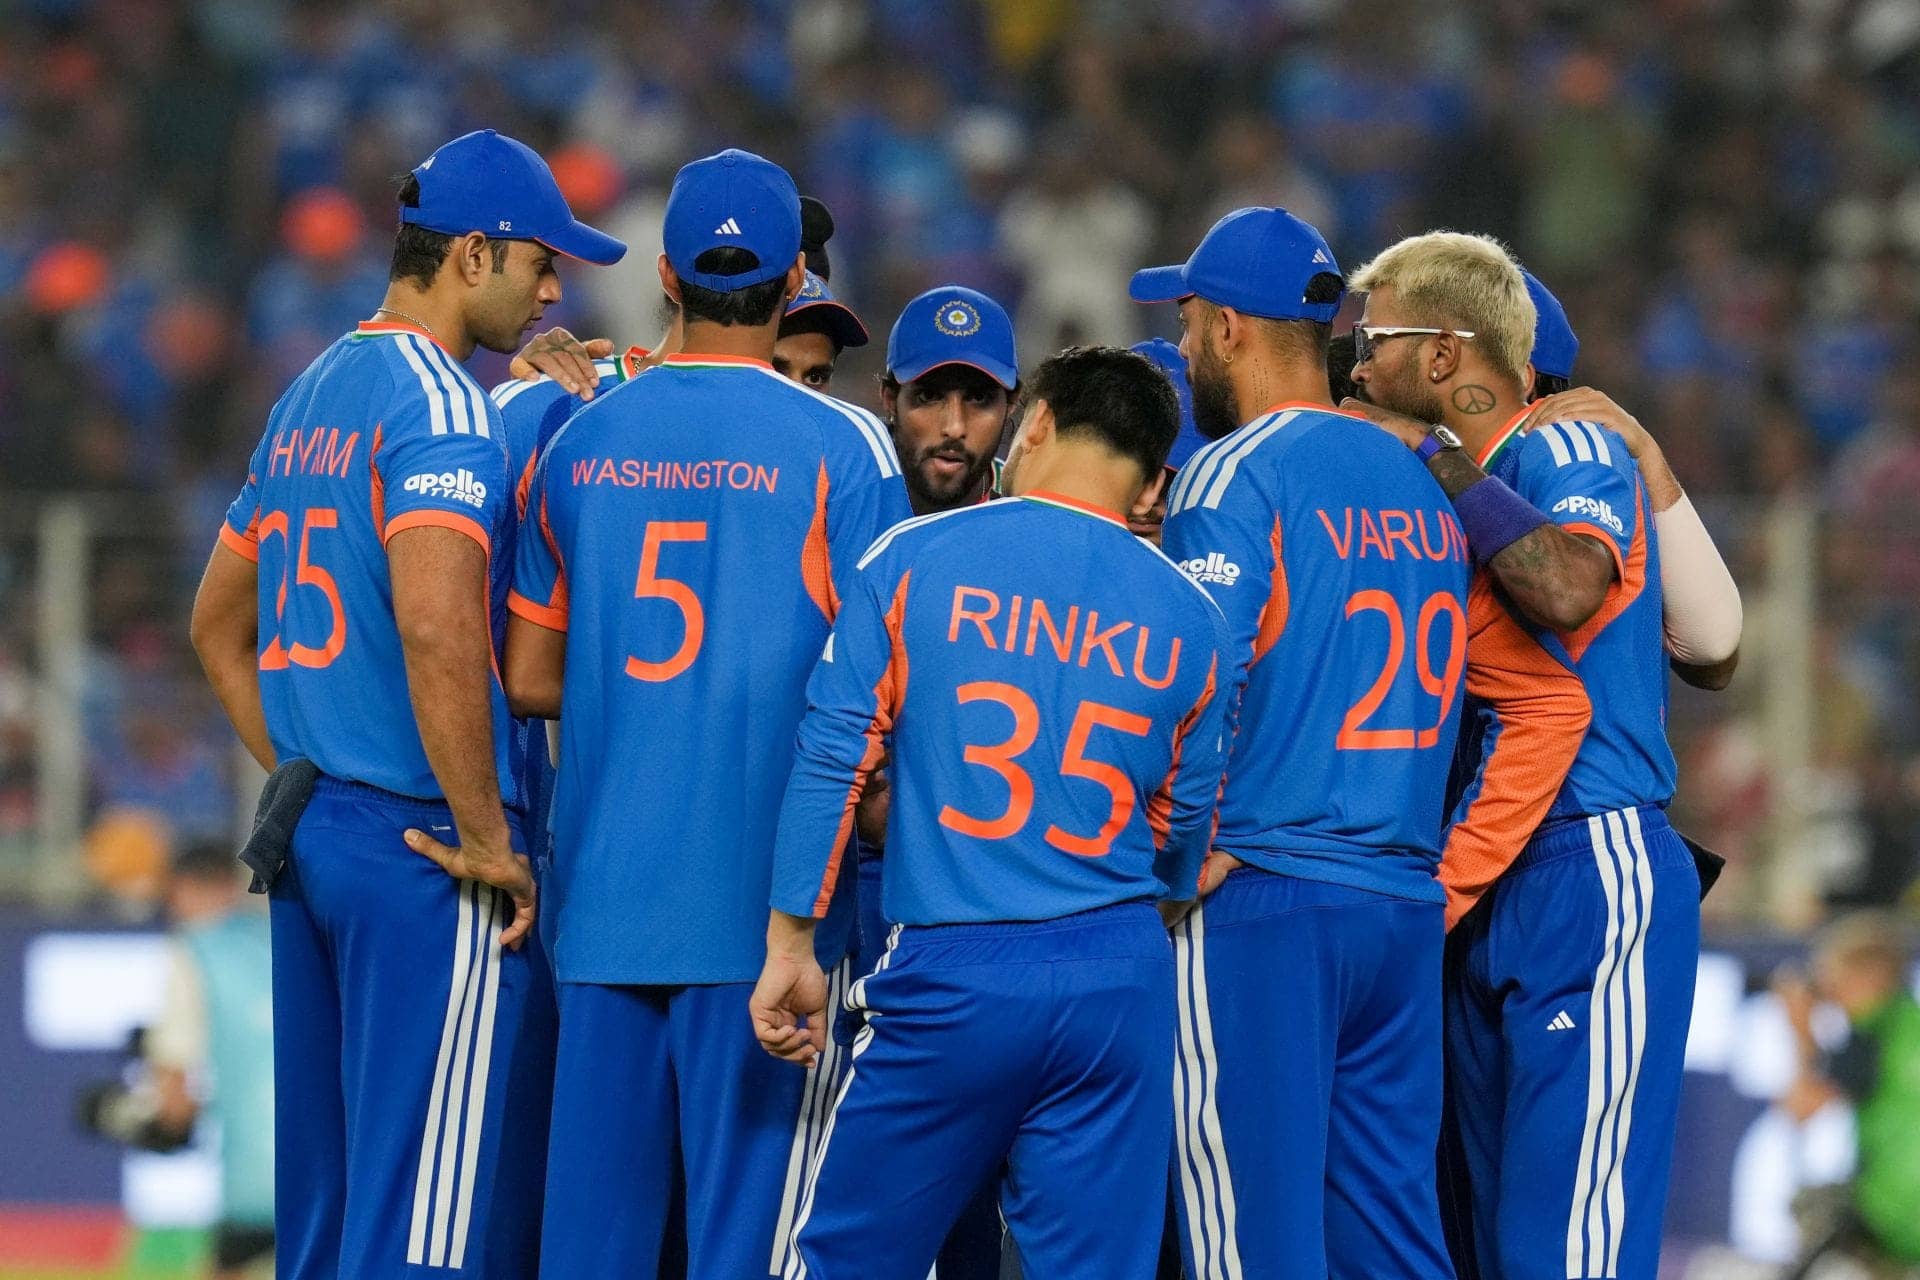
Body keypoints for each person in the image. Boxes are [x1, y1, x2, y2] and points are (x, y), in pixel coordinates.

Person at [188, 128, 622, 1280]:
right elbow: (438, 627)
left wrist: (314, 769)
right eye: (541, 263)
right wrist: (485, 835)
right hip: (424, 844)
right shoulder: (445, 408)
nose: (552, 292)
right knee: (427, 1225)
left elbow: (215, 626)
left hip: (318, 831)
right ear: (474, 254)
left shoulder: (309, 391)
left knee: (328, 1220)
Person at [1139, 208, 1588, 1280]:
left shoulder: (1233, 472)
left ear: (1231, 327)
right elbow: (1549, 701)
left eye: (1189, 322)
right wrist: (1443, 882)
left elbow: (1201, 676)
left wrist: (1174, 854)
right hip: (1397, 915)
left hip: (1261, 900)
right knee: (1388, 1242)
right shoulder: (1426, 483)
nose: (1185, 346)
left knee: (1249, 1237)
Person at [503, 147, 911, 1278]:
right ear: (795, 284)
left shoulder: (581, 437)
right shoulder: (844, 446)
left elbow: (528, 676)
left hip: (600, 912)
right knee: (754, 1253)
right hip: (767, 920)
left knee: (592, 1256)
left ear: (667, 277)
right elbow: (883, 691)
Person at [752, 344, 1229, 1278]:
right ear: (1151, 481)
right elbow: (1181, 830)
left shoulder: (915, 556)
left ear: (1036, 423)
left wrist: (790, 942)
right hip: (1117, 977)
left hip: (954, 968)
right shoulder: (1193, 617)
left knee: (847, 1261)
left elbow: (833, 756)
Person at [1348, 230, 1701, 1280]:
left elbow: (1570, 586)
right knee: (1496, 1247)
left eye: (1373, 342)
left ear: (1443, 354)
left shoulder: (1564, 445)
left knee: (1570, 1249)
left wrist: (1433, 455)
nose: (1355, 367)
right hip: (1485, 866)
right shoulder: (1451, 484)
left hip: (1589, 859)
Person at [141, 845, 276, 1280]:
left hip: (254, 1178)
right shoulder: (285, 935)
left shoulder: (194, 953)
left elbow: (175, 1091)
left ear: (184, 889)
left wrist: (154, 1126)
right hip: (331, 1163)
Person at [1778, 913, 1920, 1276]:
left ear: (1870, 975)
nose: (1827, 989)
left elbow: (1800, 1107)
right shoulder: (1908, 1023)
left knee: (1811, 1205)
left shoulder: (1873, 1033)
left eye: (1831, 974)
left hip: (1897, 1210)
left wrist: (1800, 1029)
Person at [881, 285, 1021, 515]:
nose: (954, 428)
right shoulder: (839, 504)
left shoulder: (1030, 517)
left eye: (978, 398)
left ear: (1011, 404)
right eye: (928, 396)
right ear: (890, 399)